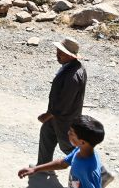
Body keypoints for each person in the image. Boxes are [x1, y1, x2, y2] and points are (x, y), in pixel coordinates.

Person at [37, 37, 87, 166]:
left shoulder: (73, 76)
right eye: (57, 51)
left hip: (65, 120)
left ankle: (95, 171)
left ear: (71, 56)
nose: (57, 55)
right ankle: (44, 166)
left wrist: (48, 115)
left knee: (69, 147)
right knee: (47, 134)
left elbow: (64, 103)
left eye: (61, 53)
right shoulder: (71, 67)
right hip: (56, 116)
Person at [19, 115, 106, 188]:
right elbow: (63, 163)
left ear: (82, 142)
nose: (68, 133)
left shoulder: (86, 168)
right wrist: (35, 169)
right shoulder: (80, 150)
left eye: (71, 133)